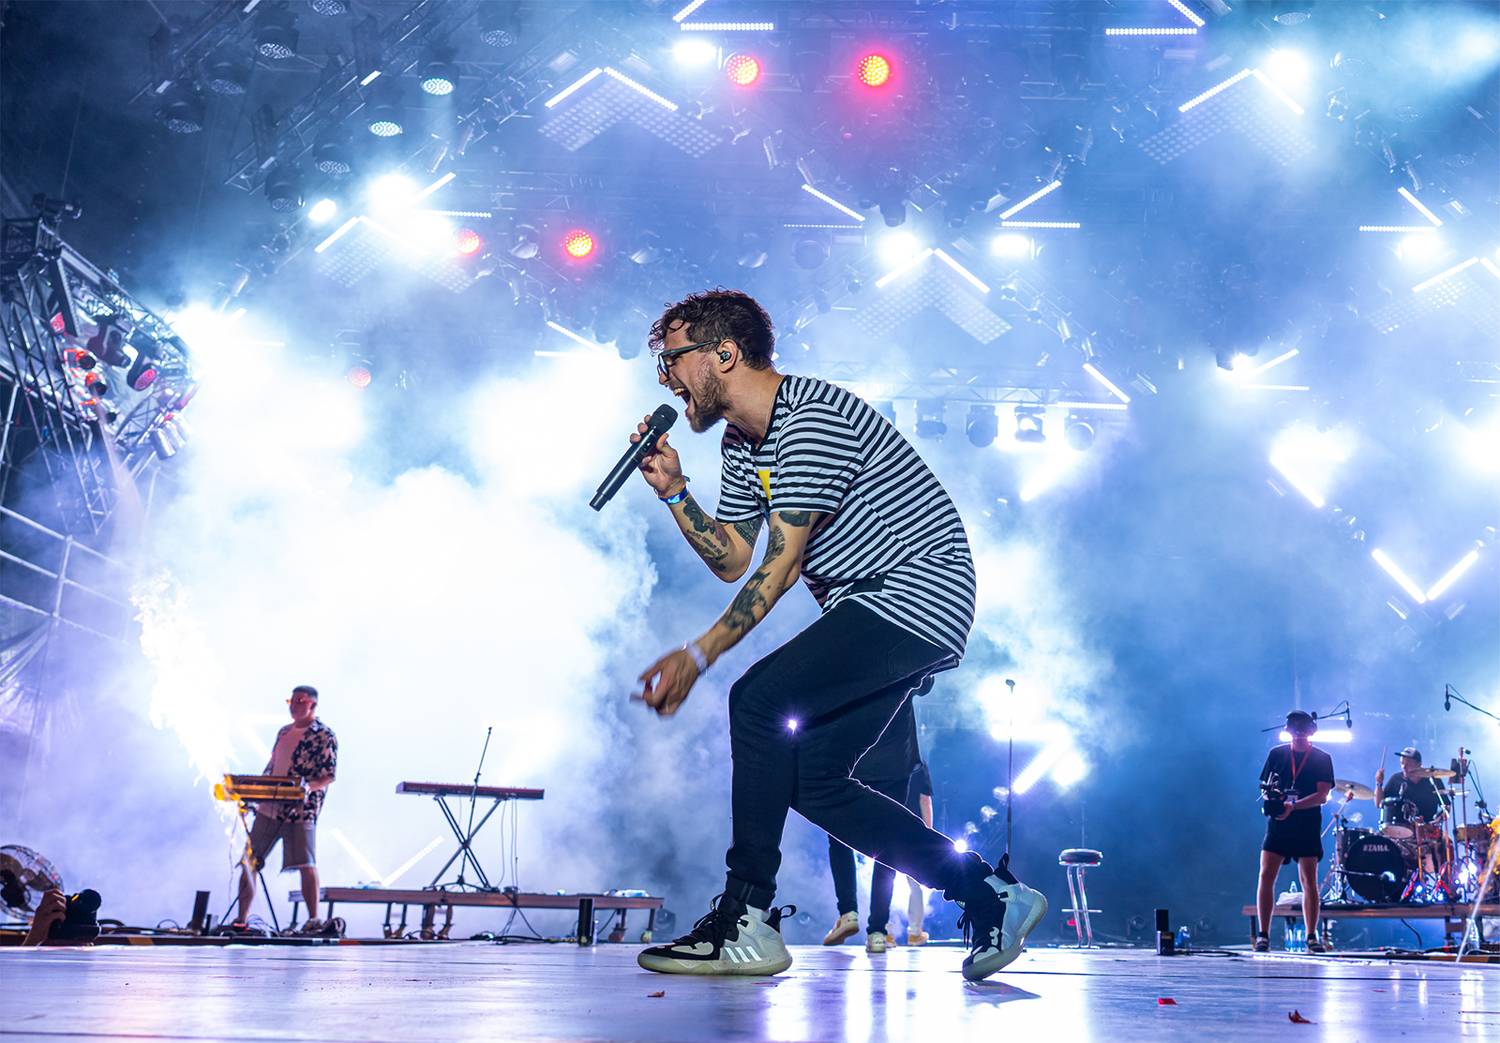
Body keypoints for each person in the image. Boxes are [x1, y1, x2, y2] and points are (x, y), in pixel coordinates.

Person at [629, 289, 1046, 980]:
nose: (667, 379)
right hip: (879, 604)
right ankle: (987, 892)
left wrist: (698, 654)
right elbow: (733, 556)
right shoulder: (741, 442)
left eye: (673, 359)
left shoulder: (810, 418)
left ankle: (745, 917)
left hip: (913, 589)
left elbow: (782, 565)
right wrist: (675, 491)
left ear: (724, 354)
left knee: (756, 700)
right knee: (813, 780)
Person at [821, 697, 923, 954]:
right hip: (895, 761)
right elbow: (925, 684)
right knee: (888, 846)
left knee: (838, 835)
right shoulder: (905, 666)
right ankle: (877, 931)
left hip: (854, 757)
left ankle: (848, 913)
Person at [235, 685, 337, 934]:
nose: (294, 706)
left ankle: (314, 919)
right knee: (250, 860)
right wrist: (254, 795)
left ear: (313, 704)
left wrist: (306, 788)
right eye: (291, 701)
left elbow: (328, 775)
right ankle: (241, 920)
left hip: (300, 810)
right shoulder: (284, 732)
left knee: (305, 863)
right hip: (269, 807)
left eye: (300, 701)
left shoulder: (324, 735)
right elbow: (272, 767)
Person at [1253, 711, 1334, 953]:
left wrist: (1293, 806)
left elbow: (1322, 795)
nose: (1298, 735)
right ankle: (1263, 935)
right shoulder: (1277, 754)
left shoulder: (1322, 758)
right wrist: (1274, 800)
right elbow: (1264, 787)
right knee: (1266, 875)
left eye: (1303, 731)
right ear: (1288, 731)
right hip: (1280, 822)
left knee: (1309, 879)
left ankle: (1311, 936)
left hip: (1306, 823)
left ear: (1311, 732)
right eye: (1294, 730)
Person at [1374, 746, 1443, 824]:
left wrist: (1437, 821)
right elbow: (1379, 804)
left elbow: (1446, 806)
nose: (1404, 767)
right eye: (1402, 763)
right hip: (1402, 828)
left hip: (1428, 828)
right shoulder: (1396, 779)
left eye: (1408, 764)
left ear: (1419, 764)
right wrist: (1379, 783)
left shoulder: (1433, 780)